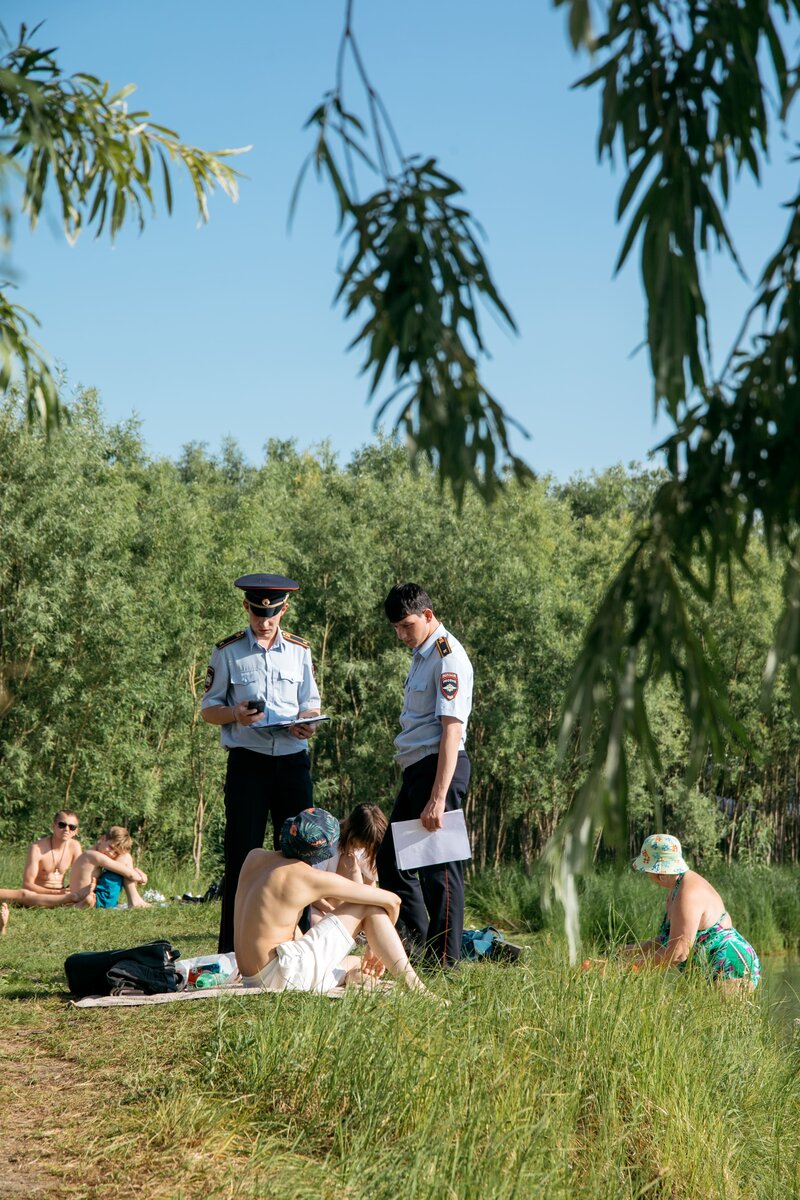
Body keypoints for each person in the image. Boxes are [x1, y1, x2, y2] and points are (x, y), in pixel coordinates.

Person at [201, 572, 322, 953]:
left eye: (271, 613)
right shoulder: (227, 651)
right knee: (243, 853)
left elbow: (311, 704)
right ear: (246, 607)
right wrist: (235, 713)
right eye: (257, 612)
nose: (264, 620)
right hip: (248, 763)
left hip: (292, 762)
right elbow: (208, 711)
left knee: (300, 854)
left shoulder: (301, 652)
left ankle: (298, 945)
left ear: (284, 610)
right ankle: (234, 949)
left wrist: (308, 726)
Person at [376, 582, 474, 968]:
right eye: (396, 628)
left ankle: (444, 963)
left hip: (439, 769)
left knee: (442, 872)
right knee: (392, 860)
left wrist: (438, 796)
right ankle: (418, 949)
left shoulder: (448, 658)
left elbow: (452, 731)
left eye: (406, 626)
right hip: (418, 769)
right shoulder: (423, 653)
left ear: (428, 616)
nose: (401, 635)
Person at [234, 807, 428, 994]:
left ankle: (357, 977)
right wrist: (374, 949)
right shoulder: (305, 876)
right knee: (369, 906)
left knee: (354, 962)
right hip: (283, 976)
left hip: (253, 976)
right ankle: (418, 989)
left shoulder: (254, 857)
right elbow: (393, 901)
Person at [626, 833, 761, 989]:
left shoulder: (688, 894)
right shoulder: (676, 889)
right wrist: (625, 951)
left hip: (729, 967)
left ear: (660, 874)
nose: (646, 875)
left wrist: (629, 969)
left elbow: (678, 953)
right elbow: (667, 941)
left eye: (646, 870)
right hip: (710, 970)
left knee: (722, 1014)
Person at [0, 826, 149, 910]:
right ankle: (135, 901)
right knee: (125, 857)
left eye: (115, 851)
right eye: (110, 847)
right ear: (102, 838)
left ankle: (134, 900)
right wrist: (139, 874)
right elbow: (131, 874)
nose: (111, 853)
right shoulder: (94, 856)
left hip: (89, 897)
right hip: (96, 900)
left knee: (124, 858)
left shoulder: (89, 852)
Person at [310, 802, 387, 924]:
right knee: (316, 926)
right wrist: (332, 912)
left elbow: (370, 885)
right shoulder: (327, 842)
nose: (364, 848)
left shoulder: (365, 847)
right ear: (352, 832)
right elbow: (310, 889)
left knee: (351, 863)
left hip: (342, 909)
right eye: (362, 843)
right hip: (317, 903)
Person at [22, 810, 83, 895]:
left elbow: (81, 875)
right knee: (24, 894)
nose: (66, 829)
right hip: (38, 893)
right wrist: (55, 893)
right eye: (62, 825)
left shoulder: (75, 846)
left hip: (61, 892)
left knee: (90, 899)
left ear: (76, 831)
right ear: (53, 826)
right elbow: (27, 884)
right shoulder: (37, 848)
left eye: (72, 827)